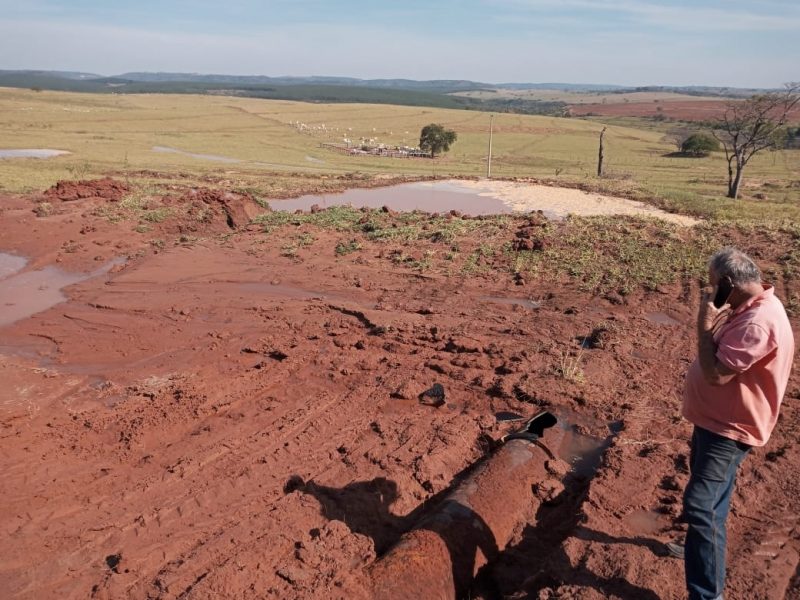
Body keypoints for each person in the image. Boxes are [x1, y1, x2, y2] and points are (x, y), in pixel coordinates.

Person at [671, 247, 794, 600]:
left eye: (714, 285)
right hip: (714, 422)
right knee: (711, 503)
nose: (711, 292)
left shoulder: (756, 323)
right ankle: (699, 546)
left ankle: (707, 594)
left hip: (728, 430)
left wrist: (704, 322)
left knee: (701, 506)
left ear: (727, 284)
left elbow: (714, 374)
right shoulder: (755, 306)